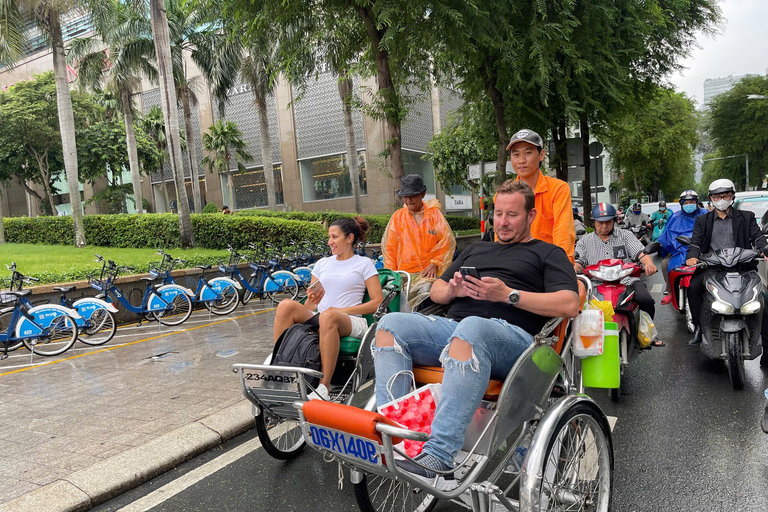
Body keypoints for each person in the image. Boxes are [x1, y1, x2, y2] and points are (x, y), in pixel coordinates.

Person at [372, 180, 579, 487]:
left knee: (471, 329)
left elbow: (570, 303)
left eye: (512, 215)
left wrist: (508, 295)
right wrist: (453, 290)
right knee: (390, 325)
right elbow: (438, 290)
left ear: (531, 216)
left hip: (517, 340)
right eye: (498, 214)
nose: (503, 222)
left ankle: (440, 454)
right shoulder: (476, 249)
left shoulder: (547, 253)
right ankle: (400, 438)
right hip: (457, 330)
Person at [272, 217, 383, 399]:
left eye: (334, 237)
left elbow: (377, 302)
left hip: (351, 320)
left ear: (349, 238)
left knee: (328, 316)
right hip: (322, 315)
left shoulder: (364, 264)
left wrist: (340, 311)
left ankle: (324, 387)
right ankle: (279, 365)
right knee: (285, 306)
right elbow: (310, 306)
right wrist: (312, 300)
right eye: (329, 237)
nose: (330, 242)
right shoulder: (323, 264)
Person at [685, 179, 768, 364]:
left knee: (761, 299)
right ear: (711, 199)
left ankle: (767, 349)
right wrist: (692, 256)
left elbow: (758, 237)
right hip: (712, 268)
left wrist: (764, 248)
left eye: (725, 196)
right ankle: (699, 327)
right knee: (693, 288)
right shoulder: (702, 220)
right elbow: (696, 242)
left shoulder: (746, 217)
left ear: (732, 197)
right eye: (717, 196)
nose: (721, 199)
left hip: (743, 268)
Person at [574, 203, 662, 346]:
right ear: (593, 222)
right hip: (596, 285)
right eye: (600, 223)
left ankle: (645, 332)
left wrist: (649, 263)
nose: (604, 226)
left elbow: (640, 253)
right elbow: (579, 261)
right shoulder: (585, 241)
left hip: (625, 281)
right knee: (577, 304)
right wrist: (574, 267)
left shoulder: (625, 235)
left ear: (614, 220)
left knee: (645, 299)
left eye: (608, 222)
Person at [497, 129, 576, 262]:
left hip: (547, 263)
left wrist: (562, 265)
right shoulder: (503, 195)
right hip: (513, 264)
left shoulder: (558, 189)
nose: (521, 160)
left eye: (528, 153)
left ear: (541, 155)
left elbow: (563, 232)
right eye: (516, 154)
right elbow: (500, 236)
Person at [381, 174, 456, 308]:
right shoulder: (397, 218)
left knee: (426, 296)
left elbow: (446, 243)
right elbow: (390, 250)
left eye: (412, 195)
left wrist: (435, 263)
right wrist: (393, 276)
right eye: (405, 196)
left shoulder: (434, 216)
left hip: (428, 275)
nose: (408, 200)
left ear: (423, 194)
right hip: (403, 275)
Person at [658, 190, 707, 304]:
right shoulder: (674, 217)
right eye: (686, 202)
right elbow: (666, 238)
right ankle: (670, 291)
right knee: (665, 263)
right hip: (679, 251)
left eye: (691, 202)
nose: (689, 205)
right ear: (681, 204)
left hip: (703, 250)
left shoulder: (706, 214)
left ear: (696, 202)